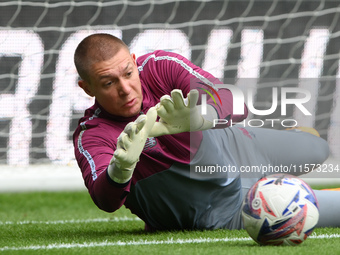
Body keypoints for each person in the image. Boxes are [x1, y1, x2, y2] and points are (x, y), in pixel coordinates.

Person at [73, 33, 339, 231]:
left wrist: (200, 118)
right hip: (224, 211)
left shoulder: (159, 66)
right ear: (87, 88)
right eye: (108, 82)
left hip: (242, 147)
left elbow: (236, 103)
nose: (125, 89)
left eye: (128, 73)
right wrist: (121, 169)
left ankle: (280, 172)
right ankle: (285, 188)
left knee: (318, 148)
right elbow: (105, 200)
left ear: (133, 61)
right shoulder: (93, 134)